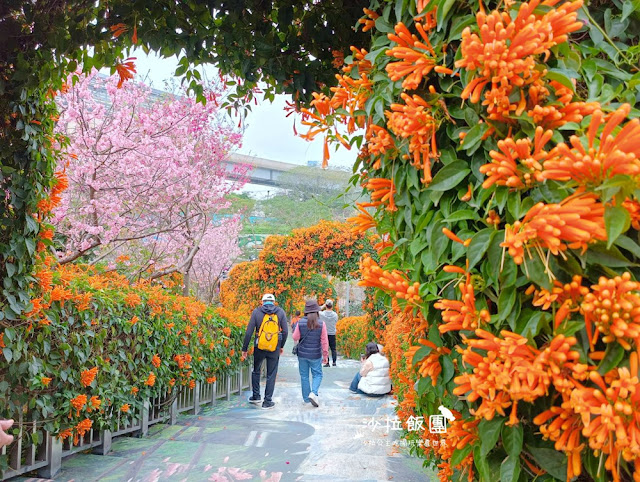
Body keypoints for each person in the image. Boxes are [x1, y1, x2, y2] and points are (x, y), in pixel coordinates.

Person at [241, 293, 288, 410]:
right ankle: (267, 401)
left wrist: (244, 349)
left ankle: (256, 396)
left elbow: (249, 332)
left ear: (262, 302)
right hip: (274, 347)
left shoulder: (257, 312)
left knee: (256, 370)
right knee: (271, 374)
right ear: (273, 302)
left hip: (259, 346)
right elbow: (285, 331)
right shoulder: (280, 312)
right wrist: (281, 345)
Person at [292, 299, 329, 407]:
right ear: (317, 311)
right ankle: (314, 393)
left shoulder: (300, 322)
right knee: (317, 374)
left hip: (302, 354)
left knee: (304, 376)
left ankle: (306, 398)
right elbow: (324, 341)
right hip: (315, 355)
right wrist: (325, 355)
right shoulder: (321, 324)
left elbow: (295, 337)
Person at [319, 299, 338, 367]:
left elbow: (316, 310)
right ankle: (334, 362)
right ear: (332, 306)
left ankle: (327, 362)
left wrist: (322, 306)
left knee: (325, 348)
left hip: (324, 333)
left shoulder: (322, 314)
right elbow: (336, 322)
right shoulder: (335, 315)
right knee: (333, 348)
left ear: (326, 306)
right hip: (332, 333)